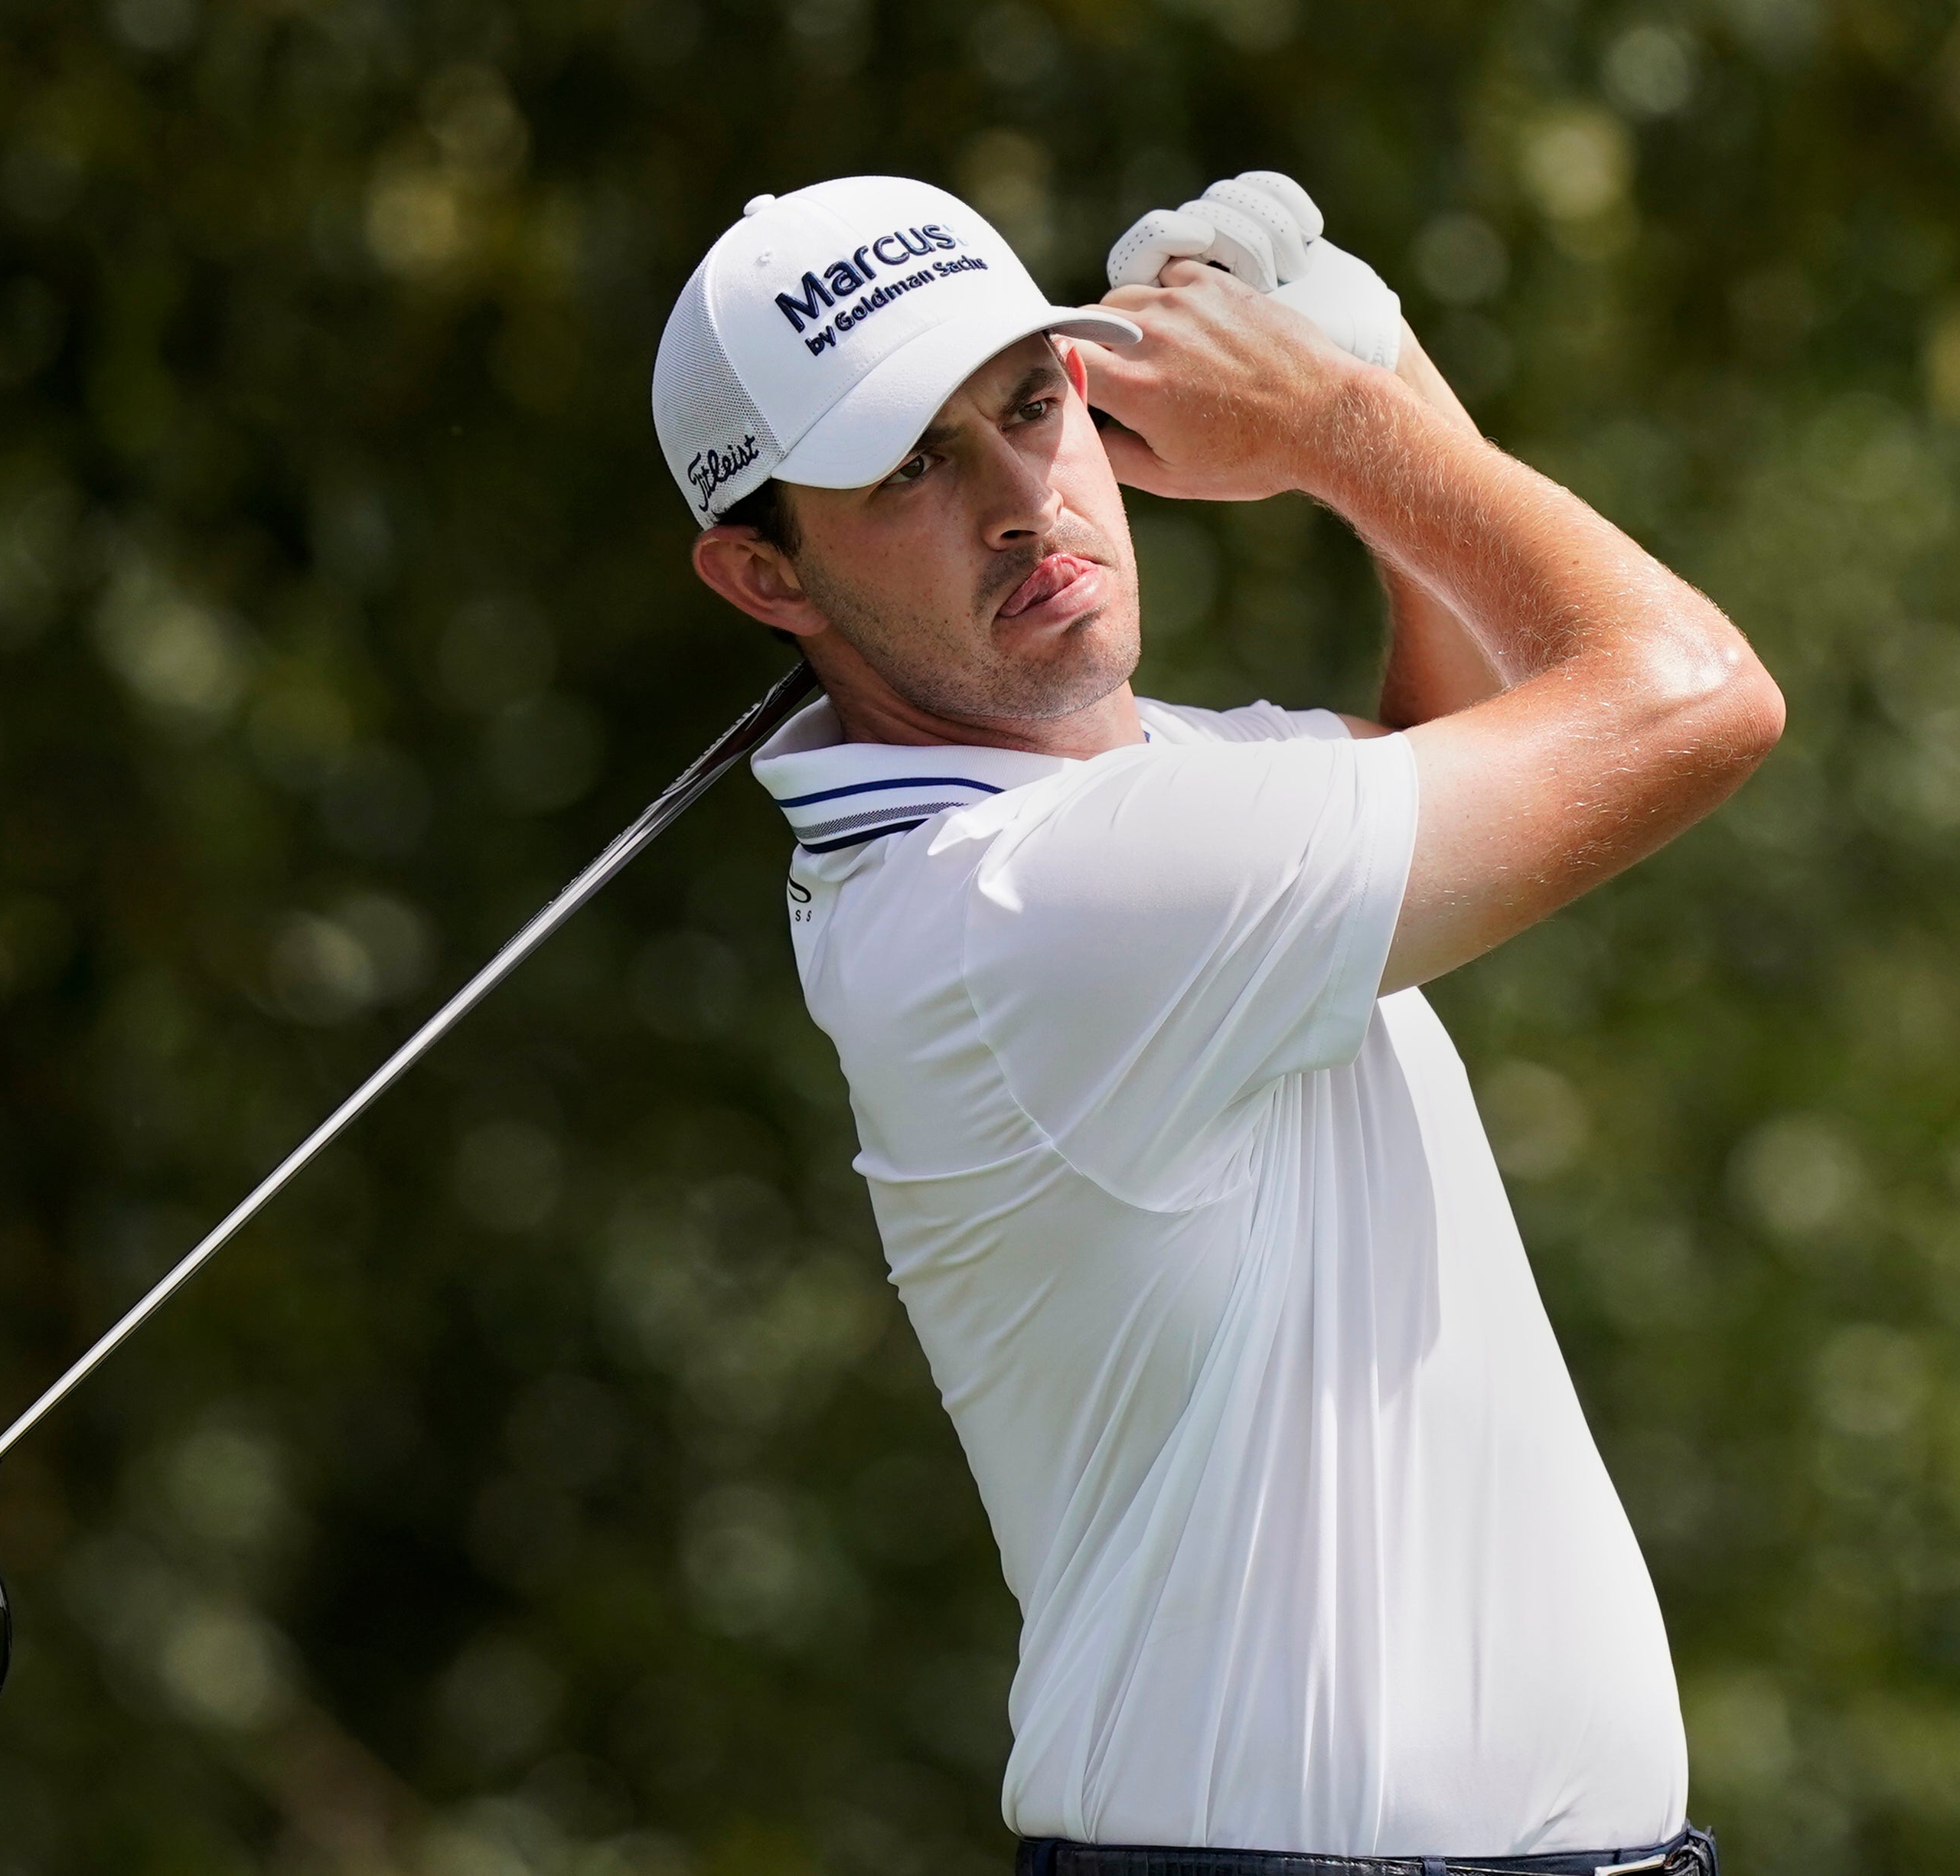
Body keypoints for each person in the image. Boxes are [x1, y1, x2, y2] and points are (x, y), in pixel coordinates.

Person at [651, 172, 1782, 1876]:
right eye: (910, 468)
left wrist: (1377, 356)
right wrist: (1338, 426)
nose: (1024, 499)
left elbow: (1457, 717)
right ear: (762, 574)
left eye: (1031, 404)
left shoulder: (1163, 800)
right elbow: (1690, 700)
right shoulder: (1026, 905)